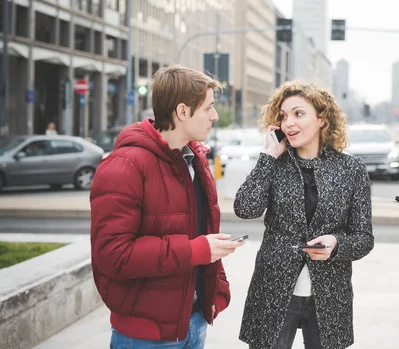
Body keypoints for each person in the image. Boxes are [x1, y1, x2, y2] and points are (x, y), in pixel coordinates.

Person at [90, 65, 245, 349]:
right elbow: (113, 255)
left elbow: (202, 232)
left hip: (193, 322)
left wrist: (216, 288)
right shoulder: (124, 166)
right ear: (182, 112)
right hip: (144, 335)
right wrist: (197, 250)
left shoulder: (195, 160)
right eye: (209, 108)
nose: (214, 116)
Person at [234, 82, 374, 349]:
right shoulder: (274, 163)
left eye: (298, 114)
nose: (289, 123)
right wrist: (268, 156)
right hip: (273, 290)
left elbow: (364, 238)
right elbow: (245, 208)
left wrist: (336, 244)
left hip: (330, 295)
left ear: (322, 119)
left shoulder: (352, 169)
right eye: (284, 116)